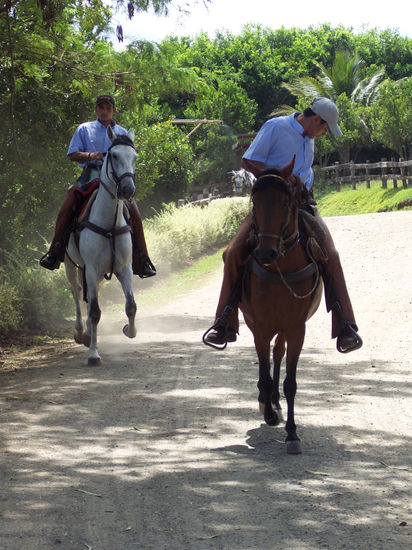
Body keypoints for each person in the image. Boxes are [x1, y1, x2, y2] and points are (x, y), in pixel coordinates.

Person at [204, 97, 362, 353]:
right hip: (271, 206)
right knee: (232, 254)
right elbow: (249, 160)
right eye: (324, 128)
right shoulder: (276, 128)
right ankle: (224, 322)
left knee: (331, 256)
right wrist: (281, 178)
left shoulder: (309, 139)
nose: (324, 133)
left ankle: (345, 326)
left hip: (302, 206)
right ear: (316, 119)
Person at [40, 94, 156, 278]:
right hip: (91, 176)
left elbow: (128, 159)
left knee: (135, 213)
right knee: (68, 204)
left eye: (108, 108)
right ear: (96, 110)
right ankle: (55, 251)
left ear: (113, 110)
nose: (104, 111)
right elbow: (72, 154)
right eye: (101, 108)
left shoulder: (123, 132)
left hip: (115, 180)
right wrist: (90, 156)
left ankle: (142, 259)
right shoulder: (84, 129)